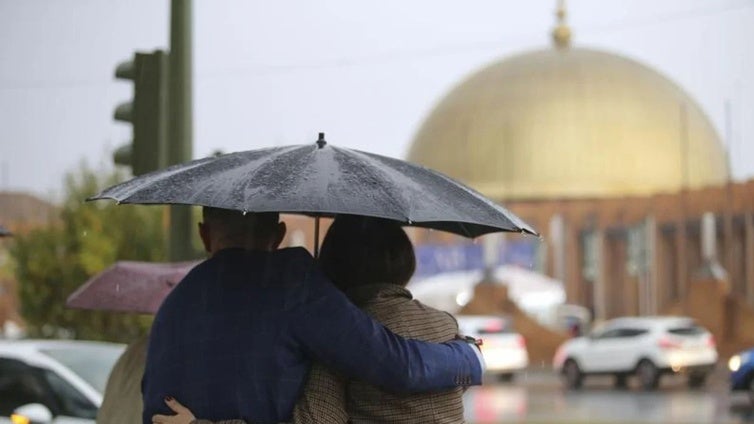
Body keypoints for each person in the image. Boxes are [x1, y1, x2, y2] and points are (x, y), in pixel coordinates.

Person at [143, 207, 484, 424]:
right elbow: (396, 364)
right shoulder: (292, 282)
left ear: (204, 235)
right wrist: (468, 358)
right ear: (278, 236)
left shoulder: (174, 304)